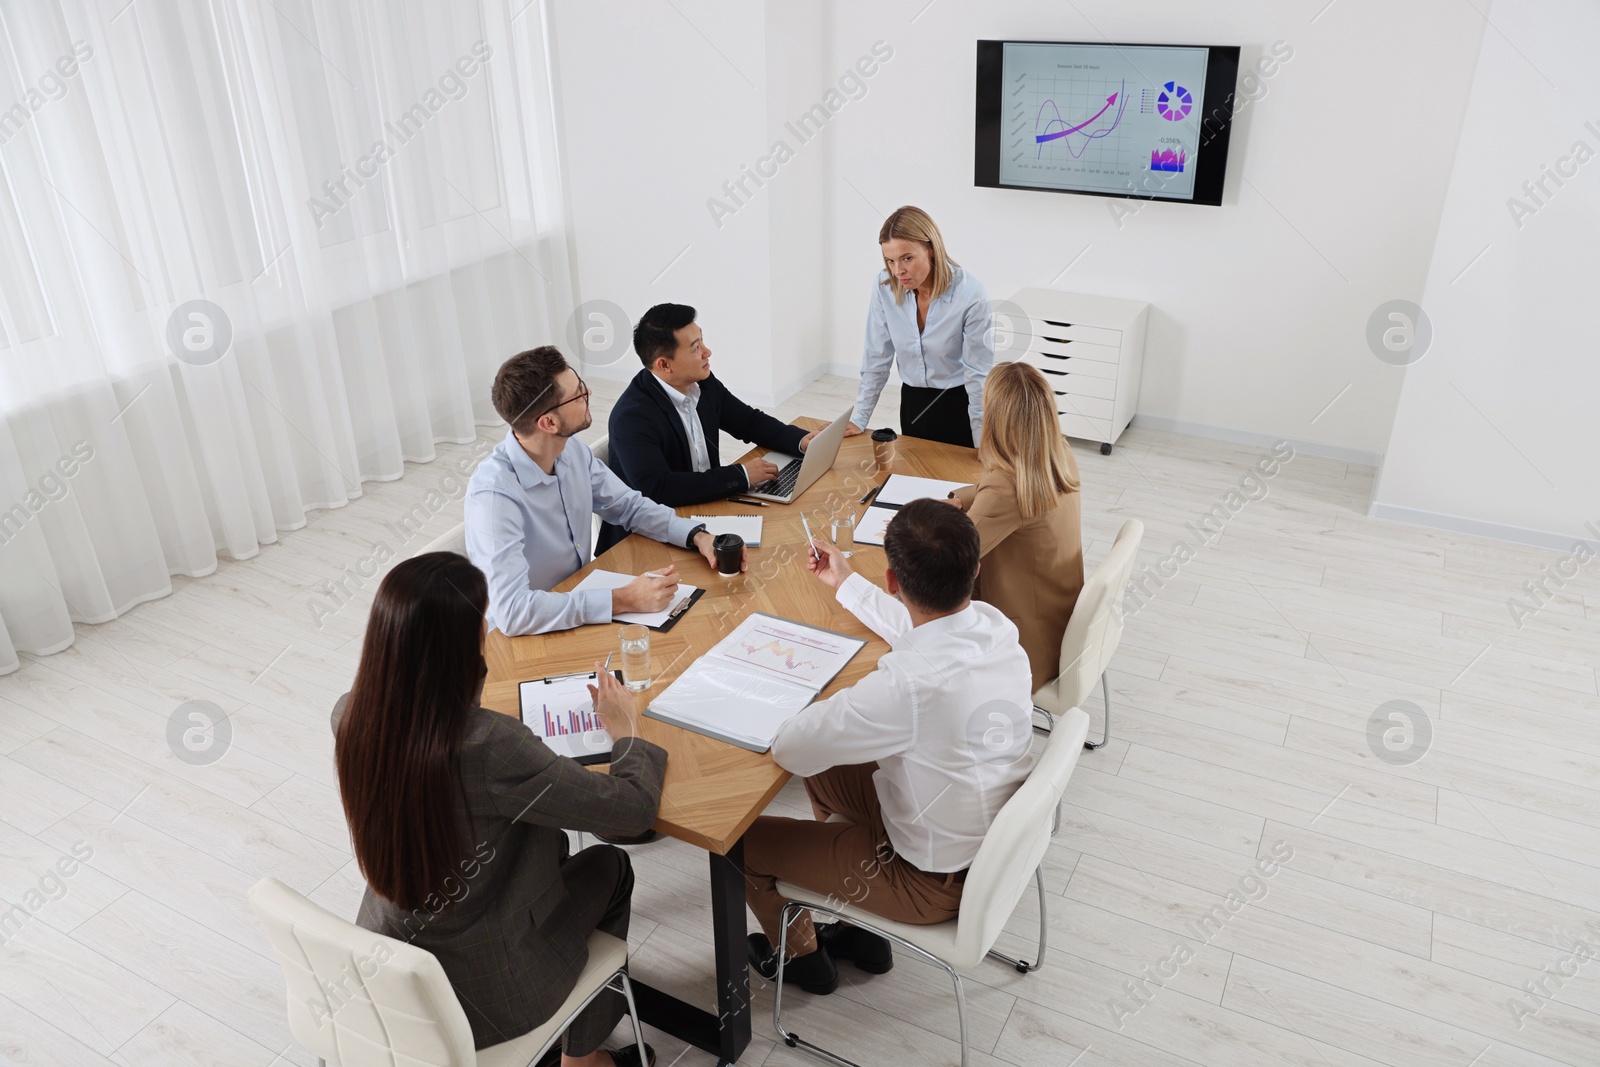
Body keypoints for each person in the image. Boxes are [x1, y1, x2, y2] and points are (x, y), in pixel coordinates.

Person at [331, 553, 664, 1067]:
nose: (488, 628)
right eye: (480, 621)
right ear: (457, 648)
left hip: (392, 963)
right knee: (611, 866)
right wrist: (626, 732)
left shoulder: (351, 715)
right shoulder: (490, 748)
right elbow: (632, 812)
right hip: (490, 989)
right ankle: (583, 1059)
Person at [740, 500, 1037, 993]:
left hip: (926, 882)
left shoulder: (910, 686)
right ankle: (860, 934)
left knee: (742, 845)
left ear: (894, 581)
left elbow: (790, 749)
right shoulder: (994, 626)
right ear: (975, 571)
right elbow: (924, 631)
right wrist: (846, 581)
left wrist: (813, 702)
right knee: (828, 770)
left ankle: (802, 960)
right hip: (975, 846)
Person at [466, 345, 743, 637]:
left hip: (579, 602)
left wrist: (697, 535)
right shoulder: (494, 497)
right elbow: (513, 612)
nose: (589, 395)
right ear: (548, 422)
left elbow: (629, 506)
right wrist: (623, 599)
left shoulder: (570, 449)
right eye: (578, 394)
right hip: (528, 636)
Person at [599, 304, 818, 553]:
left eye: (702, 341)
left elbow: (748, 421)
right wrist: (741, 476)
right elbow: (658, 489)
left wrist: (802, 440)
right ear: (664, 365)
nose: (707, 352)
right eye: (696, 348)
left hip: (709, 509)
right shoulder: (632, 417)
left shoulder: (701, 382)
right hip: (647, 539)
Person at [942, 361, 1085, 691]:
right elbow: (1006, 493)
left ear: (994, 417)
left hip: (1023, 648)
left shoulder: (1007, 487)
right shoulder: (1057, 451)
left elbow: (946, 565)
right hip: (1056, 622)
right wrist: (964, 500)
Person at [847, 206, 995, 448]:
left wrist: (982, 441)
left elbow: (978, 376)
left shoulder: (971, 294)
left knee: (961, 481)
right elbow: (876, 358)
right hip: (913, 402)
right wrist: (859, 418)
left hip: (959, 403)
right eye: (890, 261)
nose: (898, 271)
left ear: (931, 249)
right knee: (915, 477)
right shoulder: (884, 286)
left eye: (907, 258)